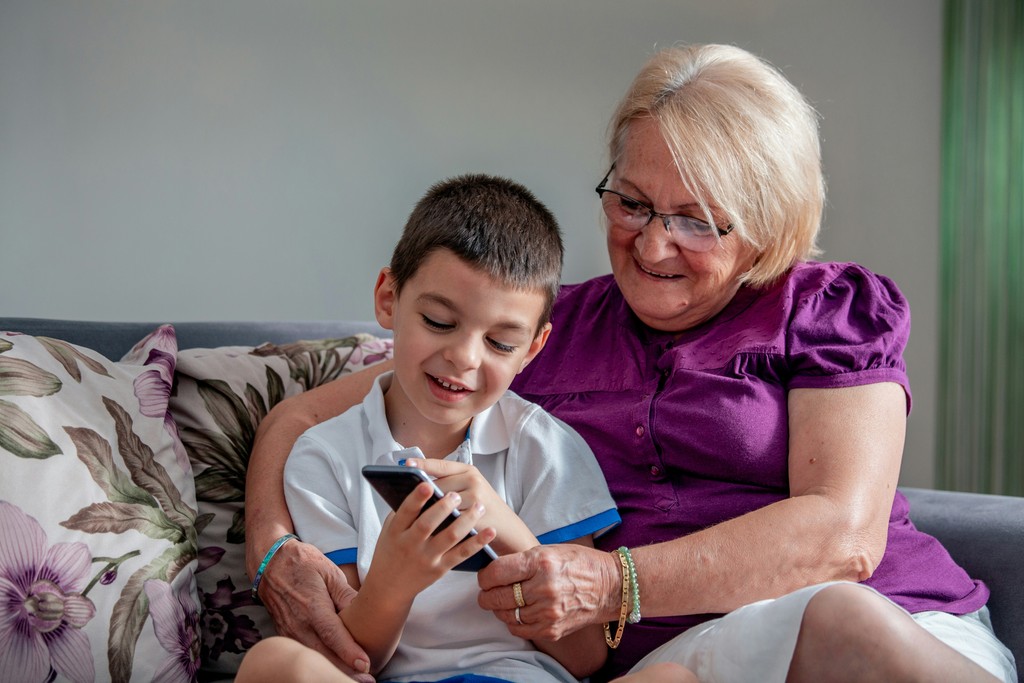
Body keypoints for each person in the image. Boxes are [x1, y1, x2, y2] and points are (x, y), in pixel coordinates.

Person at [244, 44, 1018, 683]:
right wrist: (276, 549)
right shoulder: (543, 330)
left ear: (767, 224)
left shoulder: (825, 308)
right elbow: (305, 414)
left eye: (695, 220)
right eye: (632, 202)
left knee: (836, 616)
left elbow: (842, 536)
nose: (650, 245)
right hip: (677, 662)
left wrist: (616, 582)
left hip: (881, 625)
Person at [238, 174, 687, 683]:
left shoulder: (548, 450)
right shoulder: (324, 455)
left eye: (499, 343)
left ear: (533, 350)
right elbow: (347, 657)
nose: (463, 357)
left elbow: (583, 659)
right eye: (438, 321)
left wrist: (508, 530)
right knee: (274, 664)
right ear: (389, 299)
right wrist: (394, 579)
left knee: (673, 678)